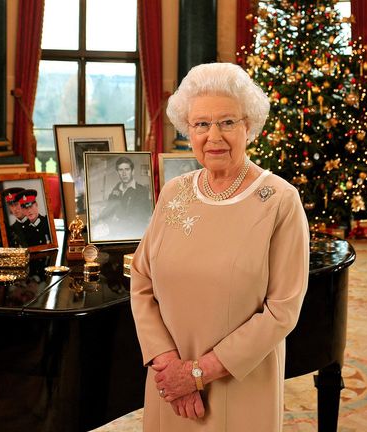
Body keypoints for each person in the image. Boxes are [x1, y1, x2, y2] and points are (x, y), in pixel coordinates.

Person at [130, 62, 310, 431]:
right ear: (188, 130)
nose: (214, 136)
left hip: (239, 387)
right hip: (169, 386)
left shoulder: (279, 200)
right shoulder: (174, 192)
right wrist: (169, 366)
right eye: (201, 124)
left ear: (249, 126)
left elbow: (282, 311)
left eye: (227, 122)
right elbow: (141, 280)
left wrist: (196, 374)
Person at [97, 156, 152, 239]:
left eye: (127, 169)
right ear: (117, 172)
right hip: (115, 232)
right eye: (121, 170)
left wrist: (114, 224)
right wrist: (101, 220)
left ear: (132, 171)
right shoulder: (117, 188)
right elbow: (109, 207)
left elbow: (137, 217)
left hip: (134, 235)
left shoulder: (141, 191)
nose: (124, 173)